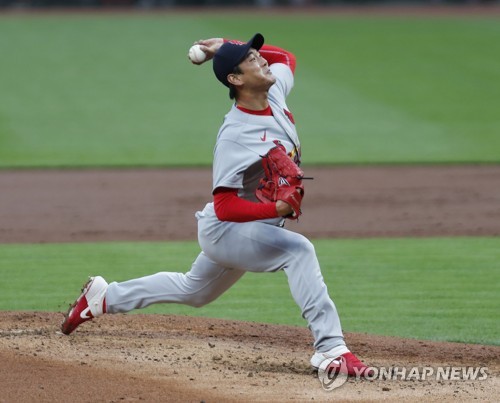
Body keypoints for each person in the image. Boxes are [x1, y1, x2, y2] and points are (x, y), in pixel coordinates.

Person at [61, 33, 371, 376]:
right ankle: (331, 350)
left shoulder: (275, 93)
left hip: (250, 230)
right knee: (298, 251)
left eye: (257, 55)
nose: (263, 61)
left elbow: (286, 58)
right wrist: (277, 210)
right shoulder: (235, 134)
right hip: (228, 229)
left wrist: (224, 45)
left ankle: (103, 297)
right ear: (236, 80)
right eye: (252, 60)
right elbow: (224, 206)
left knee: (194, 290)